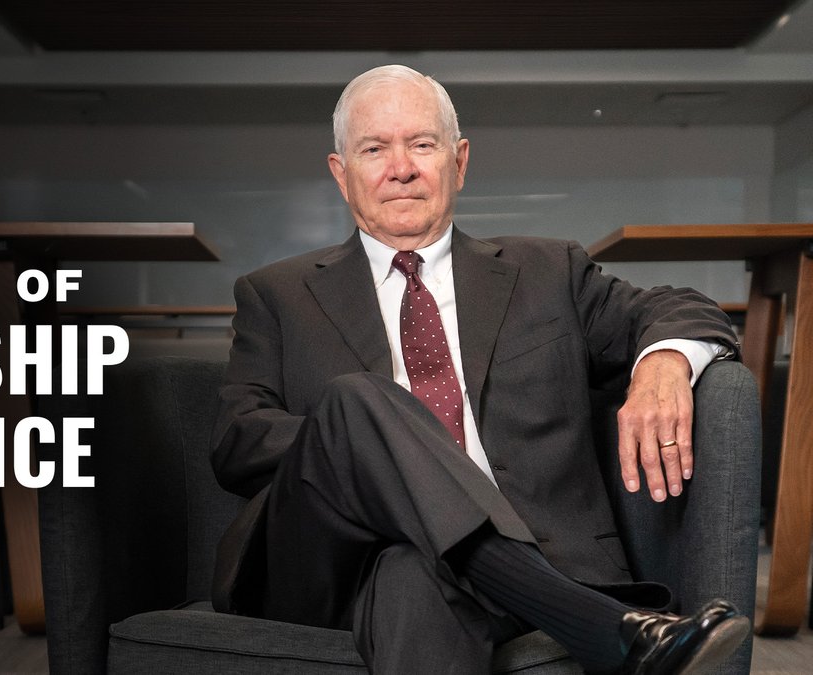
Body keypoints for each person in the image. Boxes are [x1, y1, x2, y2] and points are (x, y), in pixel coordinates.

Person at [209, 64, 749, 674]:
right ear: (342, 174)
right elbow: (237, 440)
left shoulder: (548, 271)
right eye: (374, 149)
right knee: (357, 404)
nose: (401, 168)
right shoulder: (277, 295)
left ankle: (538, 592)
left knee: (413, 574)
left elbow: (682, 308)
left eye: (421, 144)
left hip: (496, 556)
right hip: (332, 566)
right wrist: (373, 447)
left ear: (459, 161)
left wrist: (665, 363)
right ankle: (593, 622)